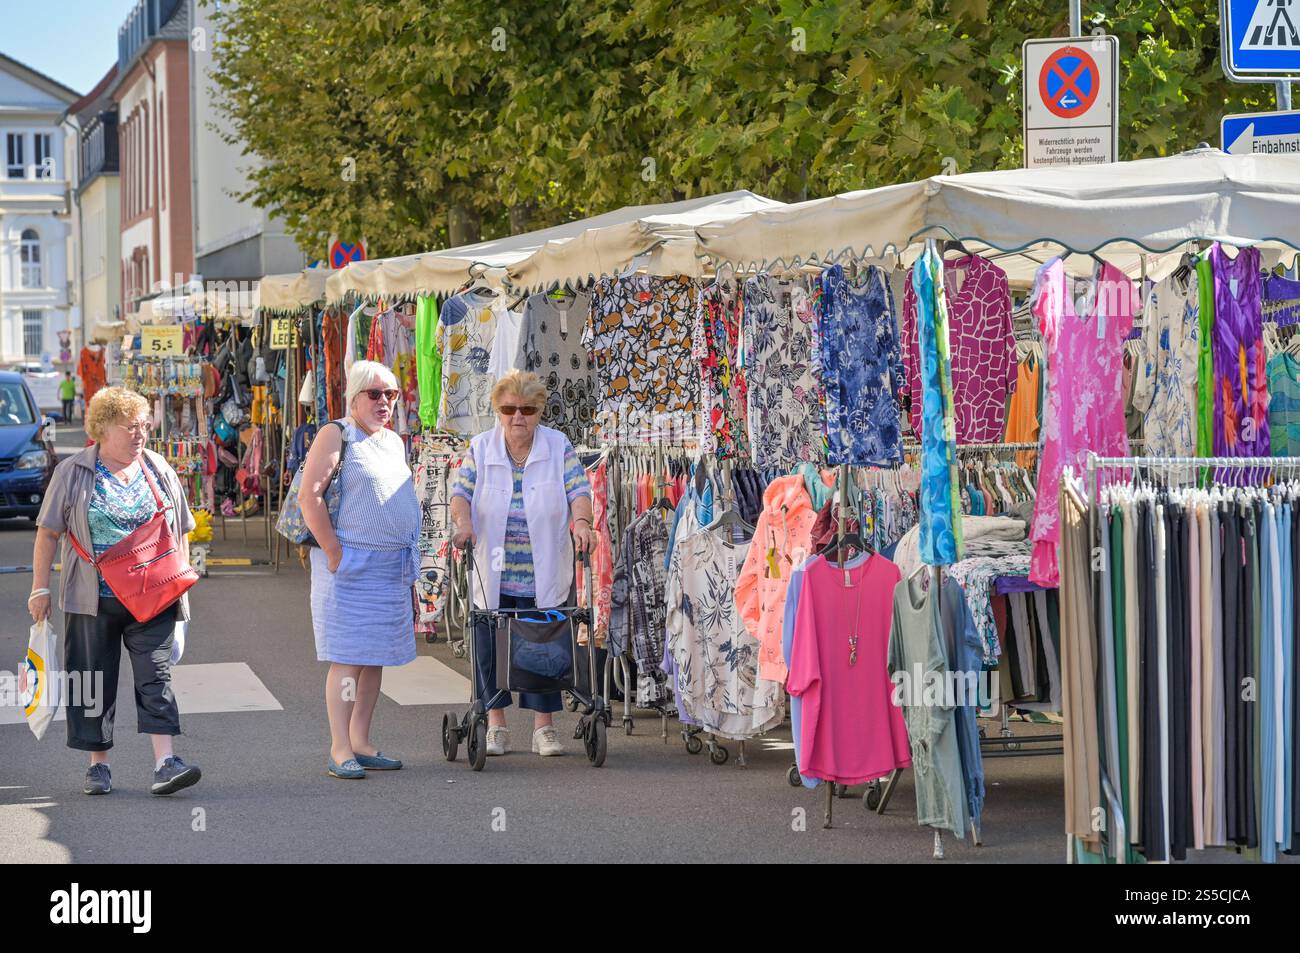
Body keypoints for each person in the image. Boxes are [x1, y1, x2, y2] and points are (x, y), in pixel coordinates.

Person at [29, 386, 200, 796]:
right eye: (130, 427)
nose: (140, 434)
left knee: (156, 678)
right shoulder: (73, 472)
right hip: (92, 597)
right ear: (103, 428)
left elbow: (183, 531)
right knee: (92, 680)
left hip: (153, 596)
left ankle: (165, 762)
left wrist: (181, 585)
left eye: (144, 425)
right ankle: (98, 765)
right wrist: (39, 589)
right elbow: (48, 533)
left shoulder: (159, 468)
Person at [450, 369, 594, 757]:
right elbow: (460, 495)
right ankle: (495, 725)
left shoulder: (557, 445)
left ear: (539, 411)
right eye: (510, 409)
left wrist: (581, 522)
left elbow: (579, 490)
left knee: (543, 650)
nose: (518, 417)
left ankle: (543, 728)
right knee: (489, 646)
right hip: (493, 569)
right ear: (498, 410)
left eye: (527, 409)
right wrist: (463, 524)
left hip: (541, 568)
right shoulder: (481, 448)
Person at [300, 360, 421, 780]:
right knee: (350, 659)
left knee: (375, 659)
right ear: (354, 397)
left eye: (391, 393)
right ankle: (339, 747)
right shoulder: (337, 433)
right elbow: (309, 496)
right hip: (352, 564)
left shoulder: (392, 440)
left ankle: (361, 741)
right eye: (375, 394)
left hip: (389, 567)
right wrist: (333, 551)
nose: (385, 401)